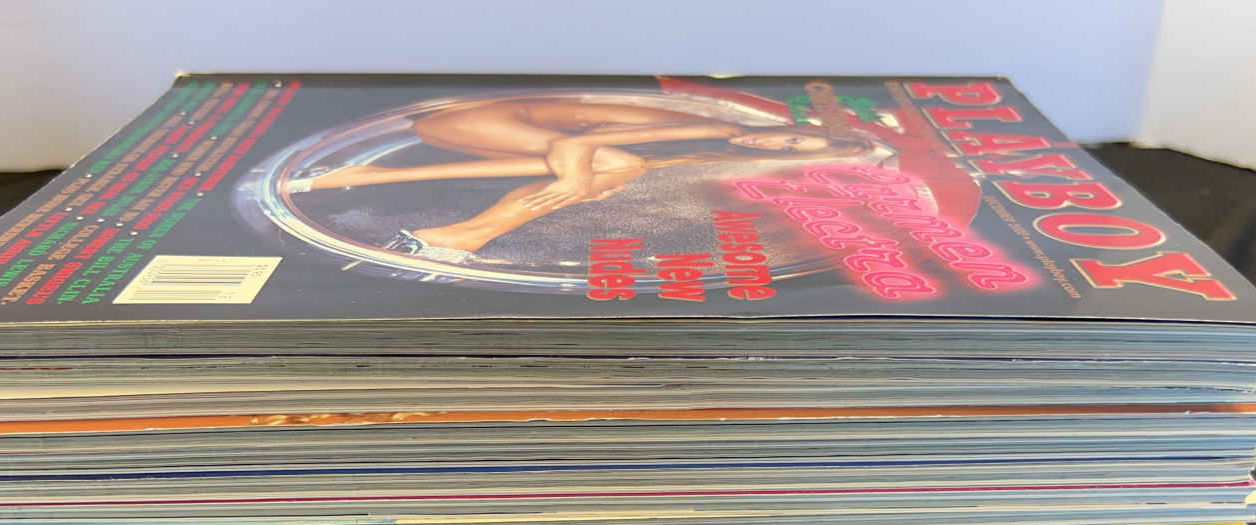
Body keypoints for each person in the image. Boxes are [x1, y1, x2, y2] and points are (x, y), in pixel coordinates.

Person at [288, 98, 872, 262]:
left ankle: (374, 177)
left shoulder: (710, 146)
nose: (771, 145)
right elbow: (571, 146)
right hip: (471, 121)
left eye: (788, 153)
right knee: (615, 167)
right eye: (789, 137)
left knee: (610, 171)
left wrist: (584, 180)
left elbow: (561, 158)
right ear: (789, 125)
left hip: (469, 132)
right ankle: (460, 235)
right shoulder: (712, 126)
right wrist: (583, 177)